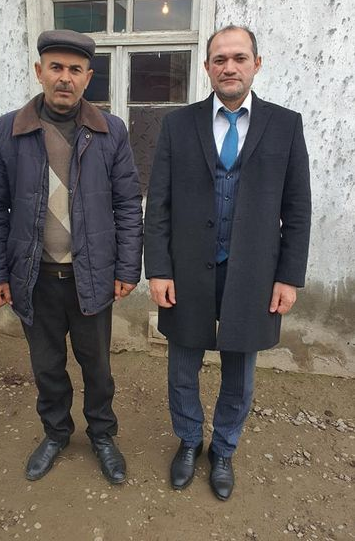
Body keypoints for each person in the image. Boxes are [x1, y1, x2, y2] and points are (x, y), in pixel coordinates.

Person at [144, 25, 311, 500]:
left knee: (240, 370)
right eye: (219, 59)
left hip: (253, 273)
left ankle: (223, 449)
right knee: (182, 366)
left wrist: (288, 277)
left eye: (239, 58)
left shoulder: (285, 125)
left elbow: (298, 207)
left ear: (257, 64)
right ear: (207, 68)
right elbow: (159, 204)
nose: (229, 67)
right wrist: (158, 269)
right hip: (187, 270)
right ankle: (188, 440)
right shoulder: (178, 125)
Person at [0, 30, 143, 485]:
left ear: (88, 78)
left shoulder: (110, 131)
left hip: (92, 276)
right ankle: (56, 433)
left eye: (75, 70)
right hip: (34, 278)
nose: (64, 78)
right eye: (56, 67)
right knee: (47, 366)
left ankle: (103, 435)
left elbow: (128, 203)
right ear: (39, 72)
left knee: (98, 367)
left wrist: (128, 267)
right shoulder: (5, 132)